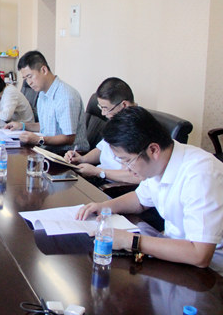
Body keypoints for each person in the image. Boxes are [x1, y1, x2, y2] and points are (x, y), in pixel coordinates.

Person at [76, 107, 223, 272]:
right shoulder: (160, 162)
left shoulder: (201, 175)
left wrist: (130, 240)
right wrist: (104, 207)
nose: (125, 168)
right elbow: (140, 200)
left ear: (153, 150)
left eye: (127, 160)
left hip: (210, 271)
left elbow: (200, 255)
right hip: (173, 251)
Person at [5, 50, 89, 152]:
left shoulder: (65, 97)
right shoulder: (43, 93)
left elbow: (69, 138)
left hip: (67, 155)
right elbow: (46, 126)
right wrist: (22, 125)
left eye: (30, 77)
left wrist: (39, 140)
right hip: (48, 149)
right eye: (25, 79)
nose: (29, 82)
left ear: (44, 70)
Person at [64, 77, 140, 184]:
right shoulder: (118, 121)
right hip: (98, 177)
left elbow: (137, 176)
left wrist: (98, 172)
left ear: (124, 105)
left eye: (106, 108)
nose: (103, 114)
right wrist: (82, 159)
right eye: (101, 108)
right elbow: (102, 149)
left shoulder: (140, 128)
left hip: (113, 186)